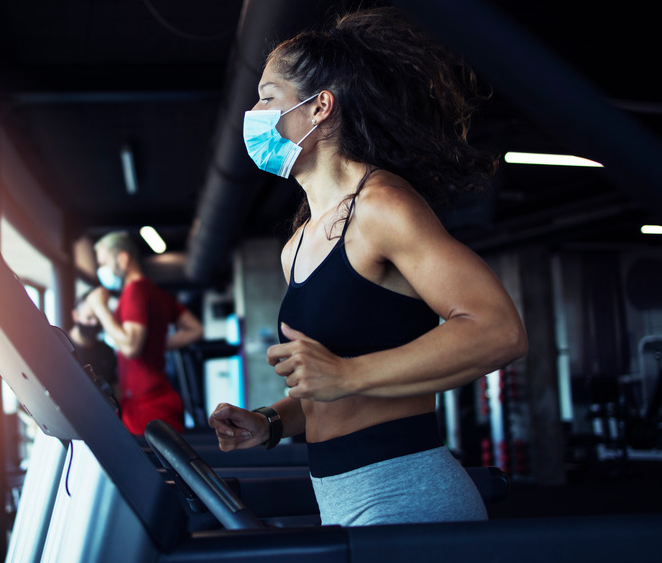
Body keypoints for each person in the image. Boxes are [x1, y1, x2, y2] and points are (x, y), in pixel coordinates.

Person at [208, 7, 528, 526]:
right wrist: (268, 421)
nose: (256, 112)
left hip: (408, 493)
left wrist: (347, 373)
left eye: (268, 97)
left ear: (319, 108)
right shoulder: (298, 244)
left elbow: (499, 331)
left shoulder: (382, 206)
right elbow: (326, 393)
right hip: (340, 498)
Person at [87, 231, 204, 435]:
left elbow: (131, 347)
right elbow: (196, 329)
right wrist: (155, 343)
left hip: (147, 408)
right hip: (152, 400)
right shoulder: (154, 292)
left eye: (103, 262)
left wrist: (99, 308)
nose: (101, 270)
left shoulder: (135, 291)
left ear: (122, 259)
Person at [67, 294, 118, 393]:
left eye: (98, 318)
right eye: (89, 317)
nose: (94, 323)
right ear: (75, 315)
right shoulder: (61, 346)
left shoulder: (107, 352)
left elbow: (114, 390)